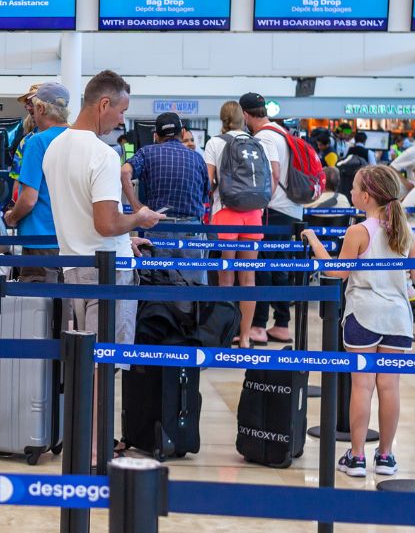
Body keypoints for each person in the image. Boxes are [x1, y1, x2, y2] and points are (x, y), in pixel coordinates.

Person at [44, 70, 163, 460]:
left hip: (73, 268)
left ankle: (83, 438)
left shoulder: (54, 149)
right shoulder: (103, 154)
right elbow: (106, 223)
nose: (122, 120)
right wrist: (138, 219)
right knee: (104, 363)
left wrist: (125, 237)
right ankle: (96, 448)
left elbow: (84, 217)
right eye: (121, 111)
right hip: (107, 273)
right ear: (104, 104)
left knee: (82, 359)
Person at [301, 165, 415, 478]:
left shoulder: (358, 232)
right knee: (389, 386)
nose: (350, 192)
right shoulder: (405, 230)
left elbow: (337, 273)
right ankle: (386, 456)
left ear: (365, 197)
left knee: (362, 387)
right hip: (398, 317)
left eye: (354, 188)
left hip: (363, 314)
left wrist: (314, 242)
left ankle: (356, 457)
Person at [204, 101, 277, 347]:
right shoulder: (258, 143)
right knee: (248, 277)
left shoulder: (215, 143)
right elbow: (268, 182)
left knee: (226, 277)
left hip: (226, 212)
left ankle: (225, 337)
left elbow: (209, 182)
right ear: (243, 118)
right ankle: (245, 338)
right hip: (253, 214)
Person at [120, 111, 211, 284]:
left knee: (158, 286)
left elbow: (125, 172)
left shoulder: (146, 153)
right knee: (194, 288)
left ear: (156, 135)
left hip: (158, 226)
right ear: (182, 132)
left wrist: (136, 207)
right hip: (191, 229)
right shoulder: (197, 158)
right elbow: (206, 193)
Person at [240, 92, 302, 344]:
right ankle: (282, 325)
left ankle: (258, 326)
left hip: (273, 209)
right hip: (291, 209)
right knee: (280, 267)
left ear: (245, 114)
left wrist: (260, 203)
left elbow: (273, 174)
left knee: (262, 267)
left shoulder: (264, 137)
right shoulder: (282, 132)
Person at [3, 82, 70, 283]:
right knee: (68, 299)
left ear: (40, 108)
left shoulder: (36, 142)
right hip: (71, 240)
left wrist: (12, 217)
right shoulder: (80, 139)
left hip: (39, 239)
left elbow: (28, 198)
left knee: (38, 300)